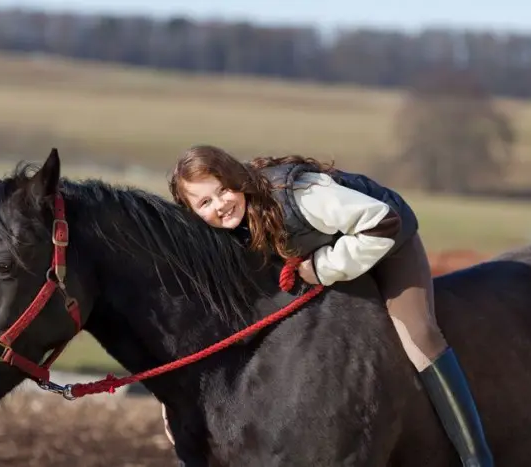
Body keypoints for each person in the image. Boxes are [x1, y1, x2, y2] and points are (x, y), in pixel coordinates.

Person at [163, 144, 494, 466]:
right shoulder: (218, 233)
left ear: (235, 178)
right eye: (205, 202)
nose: (220, 205)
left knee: (418, 335)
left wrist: (322, 268)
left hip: (386, 238)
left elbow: (383, 224)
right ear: (192, 213)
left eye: (222, 191)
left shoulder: (300, 195)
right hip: (333, 250)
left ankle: (476, 456)